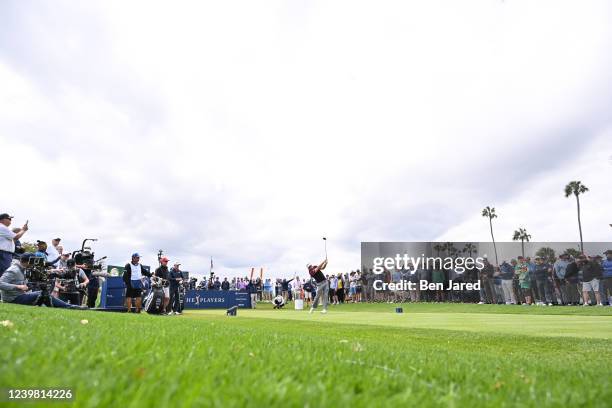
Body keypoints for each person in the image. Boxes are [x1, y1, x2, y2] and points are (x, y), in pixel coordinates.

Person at [0, 253, 79, 308]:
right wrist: (18, 286)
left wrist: (53, 271)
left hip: (18, 296)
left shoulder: (23, 269)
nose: (35, 263)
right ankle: (69, 306)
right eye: (33, 261)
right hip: (13, 299)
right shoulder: (14, 270)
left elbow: (39, 272)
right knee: (42, 294)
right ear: (28, 261)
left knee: (43, 293)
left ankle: (67, 306)